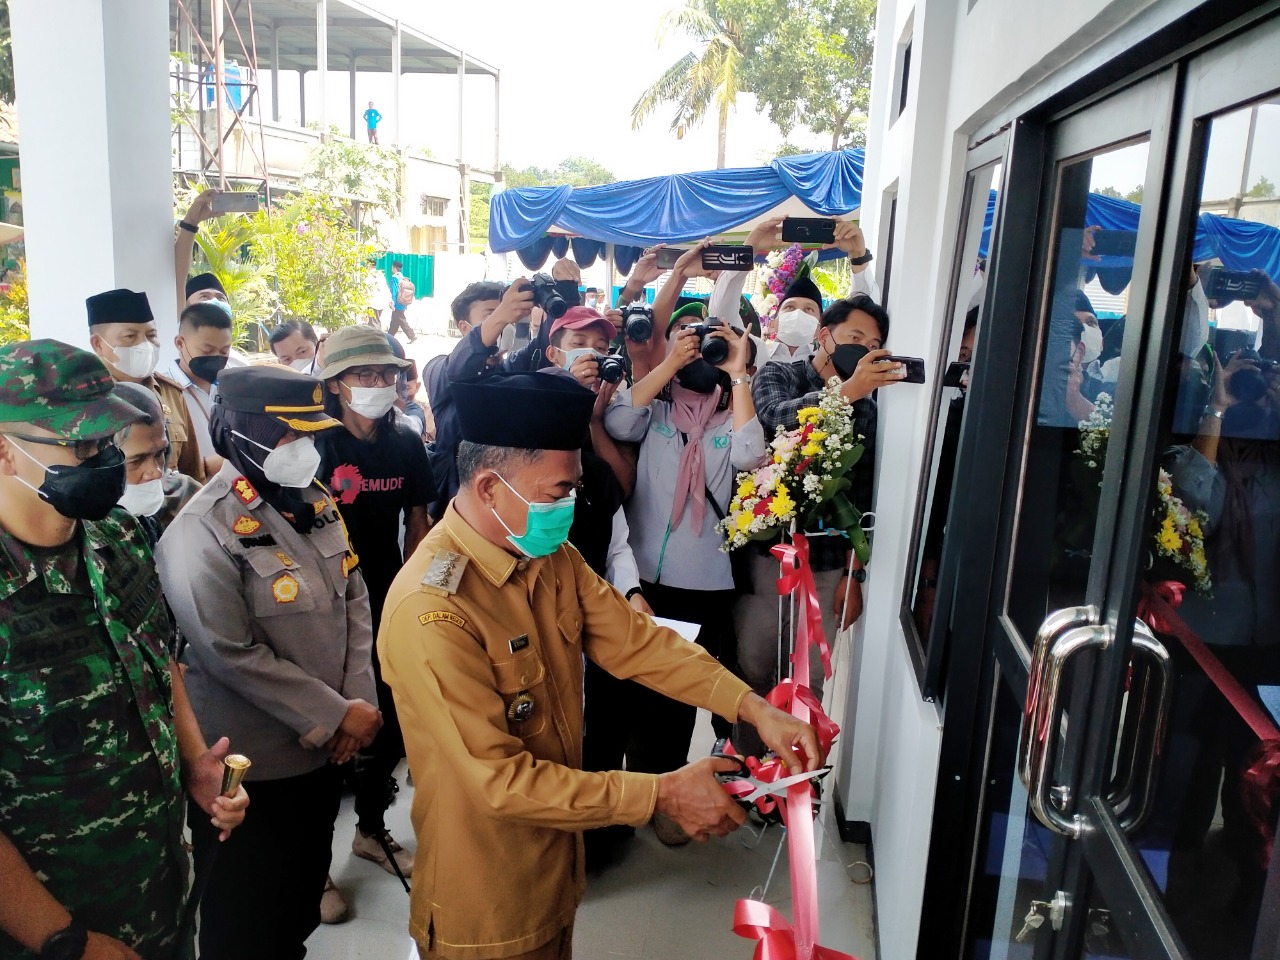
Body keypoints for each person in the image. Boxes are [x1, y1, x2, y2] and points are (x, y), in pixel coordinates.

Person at [379, 370, 824, 960]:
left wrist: (753, 707)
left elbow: (638, 641)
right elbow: (499, 782)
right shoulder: (433, 610)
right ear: (489, 488)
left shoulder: (547, 557)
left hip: (558, 866)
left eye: (574, 491)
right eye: (556, 493)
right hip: (486, 897)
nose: (569, 507)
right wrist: (661, 794)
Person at [0, 339, 247, 960]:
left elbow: (156, 660)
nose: (103, 461)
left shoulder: (116, 535)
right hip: (51, 924)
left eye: (106, 442)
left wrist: (195, 760)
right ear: (6, 450)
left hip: (163, 882)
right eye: (79, 446)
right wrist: (65, 941)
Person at [156, 364, 380, 960]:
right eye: (287, 437)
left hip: (328, 750)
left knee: (300, 898)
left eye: (307, 436)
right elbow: (228, 654)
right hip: (252, 771)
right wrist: (336, 714)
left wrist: (358, 704)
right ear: (244, 431)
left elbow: (353, 596)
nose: (301, 450)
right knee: (246, 921)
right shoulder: (201, 531)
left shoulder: (315, 498)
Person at [601, 306, 765, 827]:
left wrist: (737, 372)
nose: (700, 349)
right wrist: (670, 362)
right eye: (689, 338)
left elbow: (750, 456)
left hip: (705, 585)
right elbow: (618, 418)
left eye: (710, 342)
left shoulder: (732, 415)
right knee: (635, 691)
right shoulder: (658, 415)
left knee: (678, 694)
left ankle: (670, 797)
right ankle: (640, 790)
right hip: (643, 577)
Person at [316, 326, 436, 883]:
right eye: (366, 375)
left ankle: (369, 829)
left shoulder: (406, 442)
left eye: (388, 374)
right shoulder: (313, 445)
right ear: (336, 383)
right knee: (323, 727)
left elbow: (418, 524)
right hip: (320, 602)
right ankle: (311, 867)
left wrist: (417, 593)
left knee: (386, 718)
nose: (380, 384)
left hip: (385, 592)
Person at [743, 294, 904, 710]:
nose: (864, 349)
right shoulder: (779, 373)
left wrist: (855, 575)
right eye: (855, 336)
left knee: (811, 673)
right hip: (767, 552)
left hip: (829, 562)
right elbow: (774, 415)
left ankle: (801, 768)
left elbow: (863, 494)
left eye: (873, 345)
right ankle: (747, 761)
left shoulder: (867, 409)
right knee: (753, 664)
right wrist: (845, 392)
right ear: (824, 336)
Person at [426, 281, 535, 514]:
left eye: (507, 314)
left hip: (506, 496)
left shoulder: (511, 367)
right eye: (491, 314)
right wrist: (501, 316)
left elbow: (548, 346)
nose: (505, 322)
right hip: (454, 499)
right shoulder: (437, 368)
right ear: (465, 328)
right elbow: (457, 369)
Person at [87, 287, 206, 483]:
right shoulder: (84, 401)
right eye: (130, 336)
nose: (145, 345)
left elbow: (192, 472)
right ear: (98, 344)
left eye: (151, 335)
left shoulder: (171, 394)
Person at [113, 381, 202, 546]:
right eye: (137, 460)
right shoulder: (73, 528)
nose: (156, 471)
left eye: (160, 453)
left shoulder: (186, 497)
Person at [170, 300, 233, 477]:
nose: (216, 357)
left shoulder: (235, 387)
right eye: (207, 350)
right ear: (180, 343)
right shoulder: (164, 392)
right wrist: (204, 466)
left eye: (224, 351)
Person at [387, 261, 417, 342]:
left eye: (392, 267)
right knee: (395, 322)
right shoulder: (403, 277)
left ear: (394, 268)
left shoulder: (394, 278)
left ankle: (412, 336)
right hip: (403, 302)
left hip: (397, 303)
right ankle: (389, 337)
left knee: (401, 320)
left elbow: (394, 291)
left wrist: (392, 302)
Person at [365, 258, 393, 331]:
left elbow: (366, 290)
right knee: (376, 322)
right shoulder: (380, 274)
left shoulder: (369, 275)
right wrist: (390, 300)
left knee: (373, 324)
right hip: (380, 303)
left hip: (372, 303)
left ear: (369, 265)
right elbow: (386, 288)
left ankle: (377, 339)